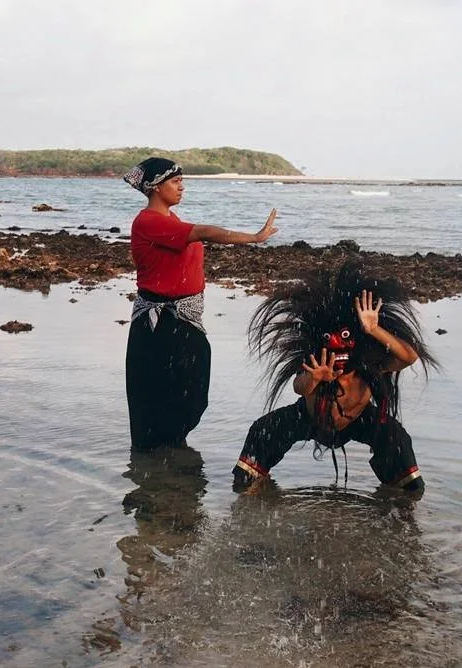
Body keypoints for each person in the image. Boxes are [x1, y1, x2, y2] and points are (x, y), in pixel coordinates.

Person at [232, 261, 438, 494]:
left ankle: (405, 504)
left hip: (358, 421)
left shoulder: (370, 365)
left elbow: (409, 357)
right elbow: (299, 387)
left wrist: (373, 329)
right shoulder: (316, 360)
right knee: (263, 431)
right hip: (309, 418)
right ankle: (248, 493)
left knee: (396, 440)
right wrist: (315, 378)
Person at [123, 157, 278, 450]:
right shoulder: (149, 221)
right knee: (161, 397)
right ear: (156, 187)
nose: (182, 188)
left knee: (190, 394)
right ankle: (159, 463)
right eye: (175, 182)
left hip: (183, 319)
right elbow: (206, 232)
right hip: (160, 323)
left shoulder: (171, 220)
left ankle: (166, 456)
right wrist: (255, 238)